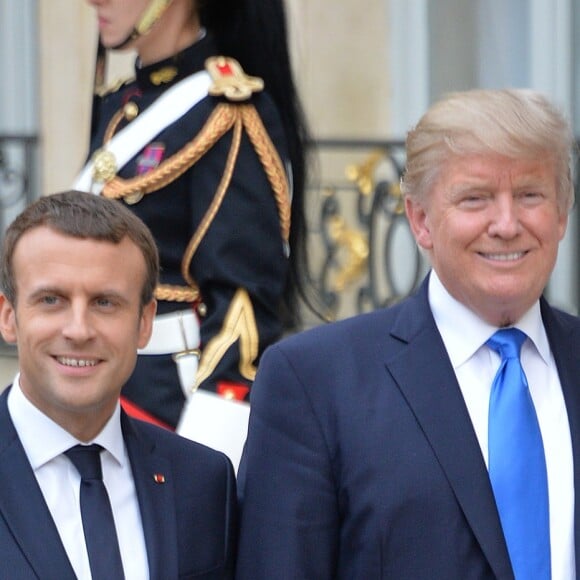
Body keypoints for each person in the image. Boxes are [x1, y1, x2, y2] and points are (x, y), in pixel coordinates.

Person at [236, 89, 580, 579]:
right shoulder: (315, 382)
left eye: (530, 195)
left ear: (562, 213)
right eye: (475, 198)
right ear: (420, 220)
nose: (506, 224)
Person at [74, 0, 312, 432]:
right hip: (92, 388)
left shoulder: (227, 111)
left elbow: (242, 307)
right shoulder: (121, 105)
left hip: (166, 407)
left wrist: (210, 443)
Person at [0, 190, 236, 579]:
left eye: (105, 303)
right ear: (9, 317)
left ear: (144, 322)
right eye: (51, 300)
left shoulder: (202, 482)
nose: (78, 330)